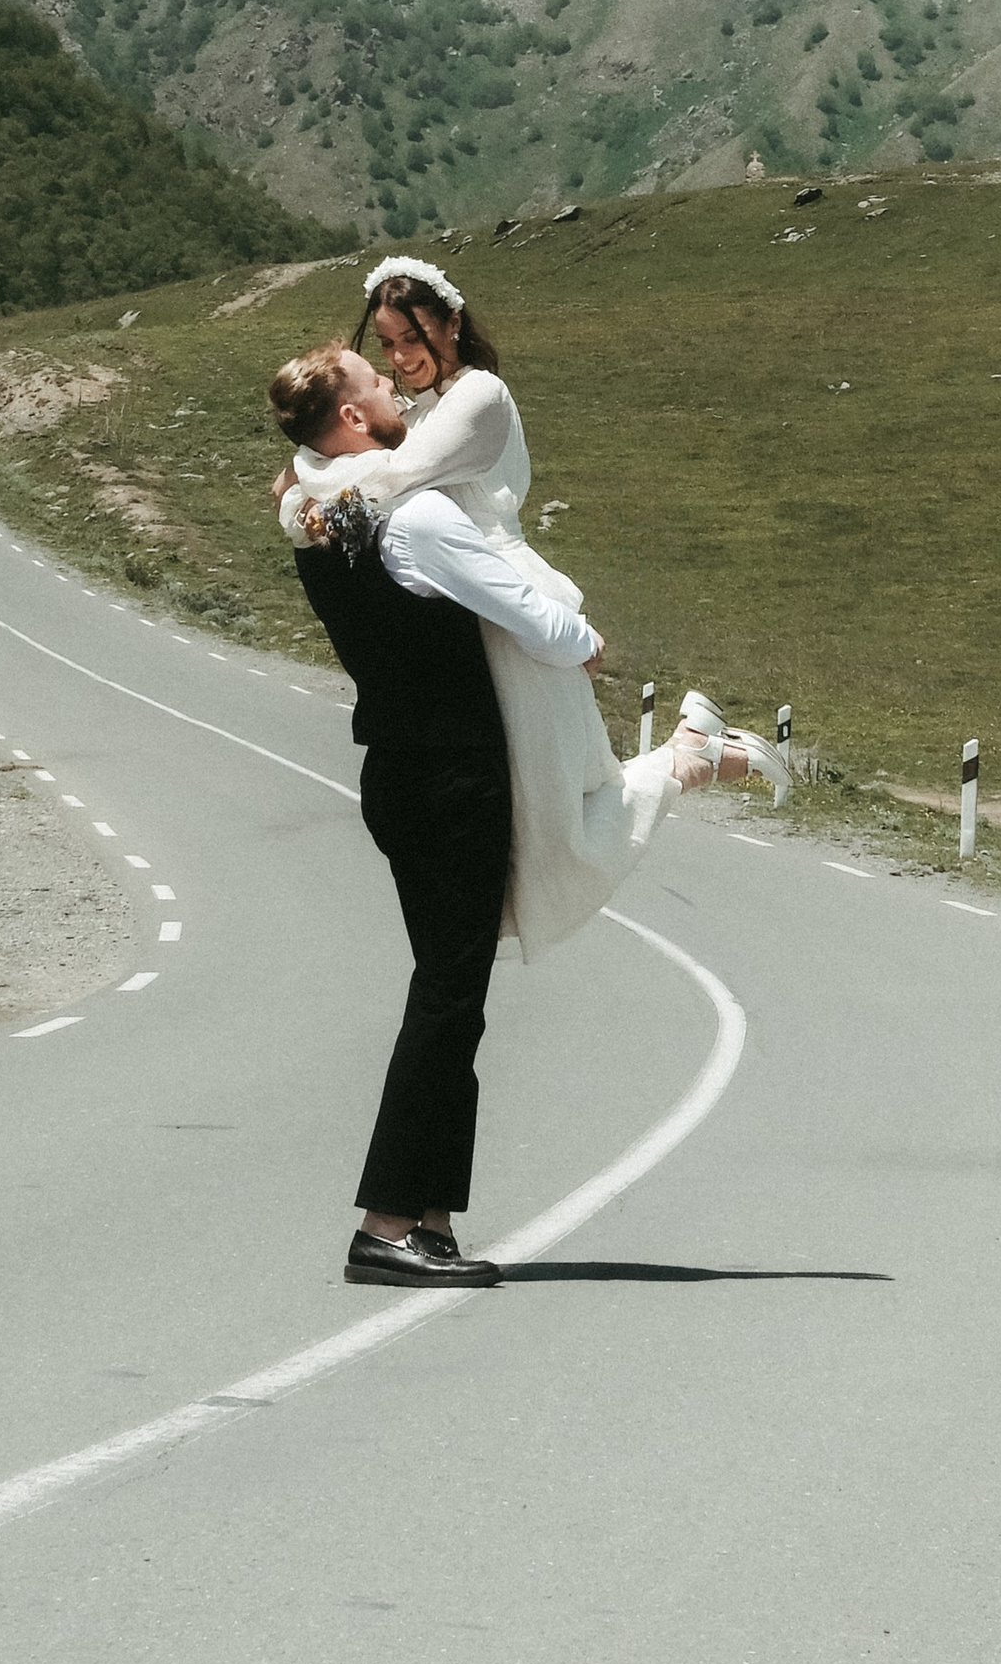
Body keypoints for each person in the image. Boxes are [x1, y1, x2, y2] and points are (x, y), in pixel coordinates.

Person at [280, 253, 787, 961]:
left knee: (558, 823)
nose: (399, 359)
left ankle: (687, 760)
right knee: (547, 810)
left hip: (505, 594)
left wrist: (314, 487)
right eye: (387, 345)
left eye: (412, 338)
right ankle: (691, 756)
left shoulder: (478, 396)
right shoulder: (423, 406)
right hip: (480, 603)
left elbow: (399, 476)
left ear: (452, 323)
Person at [272, 340, 582, 1289]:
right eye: (379, 380)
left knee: (456, 999)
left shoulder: (316, 511)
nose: (403, 386)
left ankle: (433, 1215)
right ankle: (388, 1222)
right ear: (357, 420)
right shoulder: (416, 519)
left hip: (405, 771)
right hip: (451, 778)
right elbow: (537, 623)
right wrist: (583, 639)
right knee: (447, 1000)